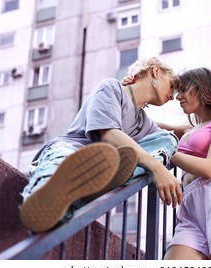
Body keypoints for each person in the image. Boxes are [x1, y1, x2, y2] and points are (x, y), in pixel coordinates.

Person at [20, 57, 183, 233]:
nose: (173, 97)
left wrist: (210, 123)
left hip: (98, 170)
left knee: (168, 139)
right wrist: (157, 167)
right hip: (72, 149)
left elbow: (178, 133)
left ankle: (73, 200)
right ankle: (42, 203)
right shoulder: (112, 88)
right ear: (155, 71)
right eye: (172, 85)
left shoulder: (143, 122)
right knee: (61, 160)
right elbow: (110, 134)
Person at [125, 67, 211, 260]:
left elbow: (210, 169)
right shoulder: (187, 130)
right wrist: (131, 93)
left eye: (183, 90)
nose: (178, 97)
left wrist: (168, 152)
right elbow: (146, 126)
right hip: (191, 206)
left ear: (200, 88)